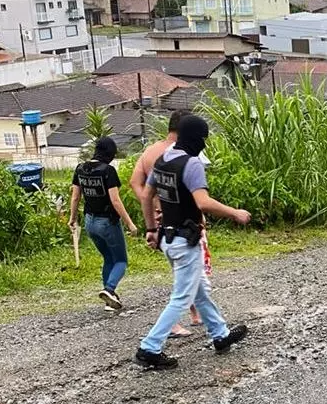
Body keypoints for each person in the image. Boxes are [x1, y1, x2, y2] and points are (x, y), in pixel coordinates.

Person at [136, 115, 252, 370]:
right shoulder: (191, 164)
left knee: (198, 289)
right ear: (195, 139)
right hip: (185, 241)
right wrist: (235, 212)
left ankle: (220, 335)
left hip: (168, 237)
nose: (204, 144)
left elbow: (146, 194)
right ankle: (149, 347)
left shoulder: (163, 159)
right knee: (181, 297)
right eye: (203, 139)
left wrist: (151, 229)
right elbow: (203, 202)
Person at [131, 109, 202, 338]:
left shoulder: (152, 152)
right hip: (183, 222)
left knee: (186, 273)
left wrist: (152, 216)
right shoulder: (184, 156)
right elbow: (197, 196)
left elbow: (137, 185)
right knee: (187, 273)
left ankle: (208, 322)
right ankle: (162, 333)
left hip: (164, 224)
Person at [69, 136, 138, 310]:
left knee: (108, 258)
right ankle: (109, 289)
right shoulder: (108, 171)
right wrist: (130, 223)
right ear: (109, 154)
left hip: (90, 222)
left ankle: (110, 300)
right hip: (107, 222)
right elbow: (115, 201)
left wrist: (72, 218)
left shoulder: (80, 168)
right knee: (121, 261)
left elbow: (76, 196)